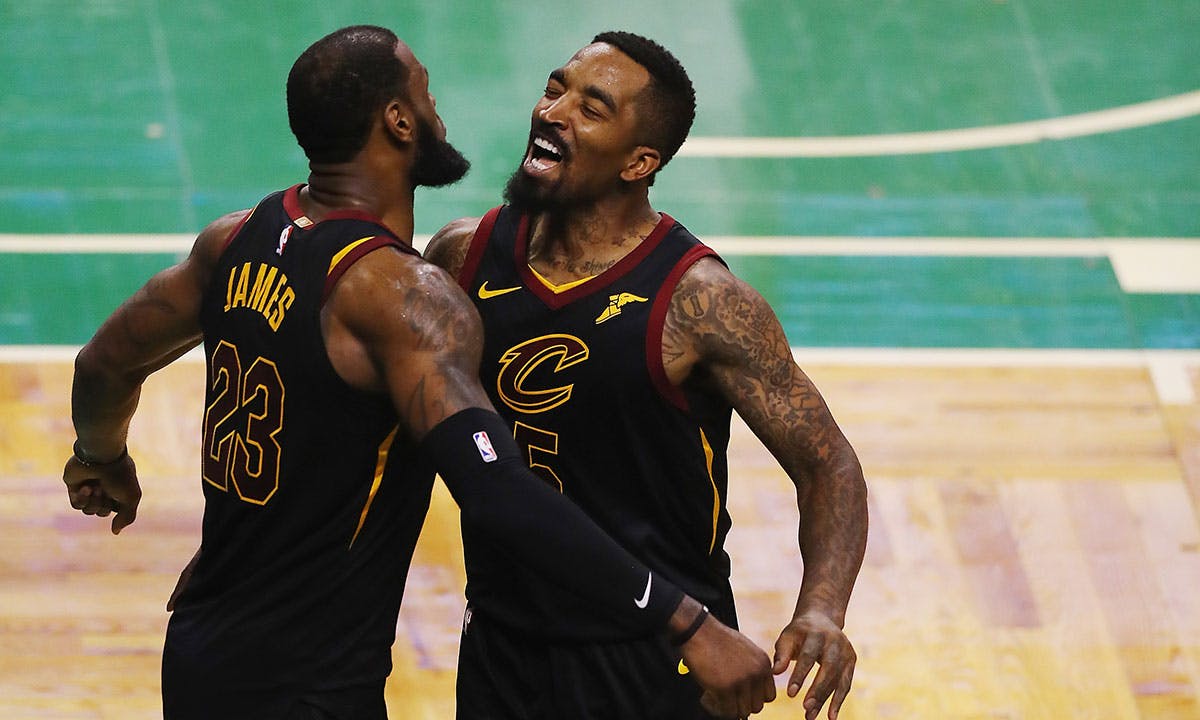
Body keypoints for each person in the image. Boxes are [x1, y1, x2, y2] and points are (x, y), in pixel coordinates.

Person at [61, 25, 777, 720]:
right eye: (427, 95)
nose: (440, 111)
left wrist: (102, 455)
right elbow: (495, 489)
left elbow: (104, 363)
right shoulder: (407, 300)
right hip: (313, 683)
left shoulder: (233, 241)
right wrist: (688, 622)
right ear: (401, 123)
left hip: (202, 647)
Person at [424, 30, 869, 720]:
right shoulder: (462, 256)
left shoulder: (701, 302)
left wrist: (821, 609)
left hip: (657, 660)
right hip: (503, 651)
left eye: (591, 107)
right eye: (554, 87)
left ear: (640, 161)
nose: (553, 112)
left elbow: (828, 465)